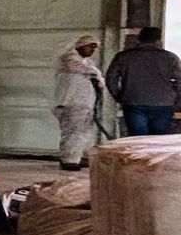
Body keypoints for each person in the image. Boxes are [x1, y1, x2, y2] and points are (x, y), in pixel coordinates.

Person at [106, 26, 181, 136]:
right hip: (163, 103)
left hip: (133, 101)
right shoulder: (170, 58)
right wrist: (175, 98)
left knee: (138, 139)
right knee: (159, 139)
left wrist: (119, 96)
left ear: (139, 39)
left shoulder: (124, 56)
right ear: (158, 40)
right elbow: (179, 81)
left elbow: (111, 78)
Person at [53, 36, 106, 169]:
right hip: (71, 103)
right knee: (73, 132)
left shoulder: (88, 63)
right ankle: (69, 160)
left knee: (84, 132)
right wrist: (95, 76)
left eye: (94, 48)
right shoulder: (69, 59)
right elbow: (84, 71)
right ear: (80, 46)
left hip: (86, 103)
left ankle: (78, 156)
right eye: (90, 46)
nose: (92, 50)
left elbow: (96, 77)